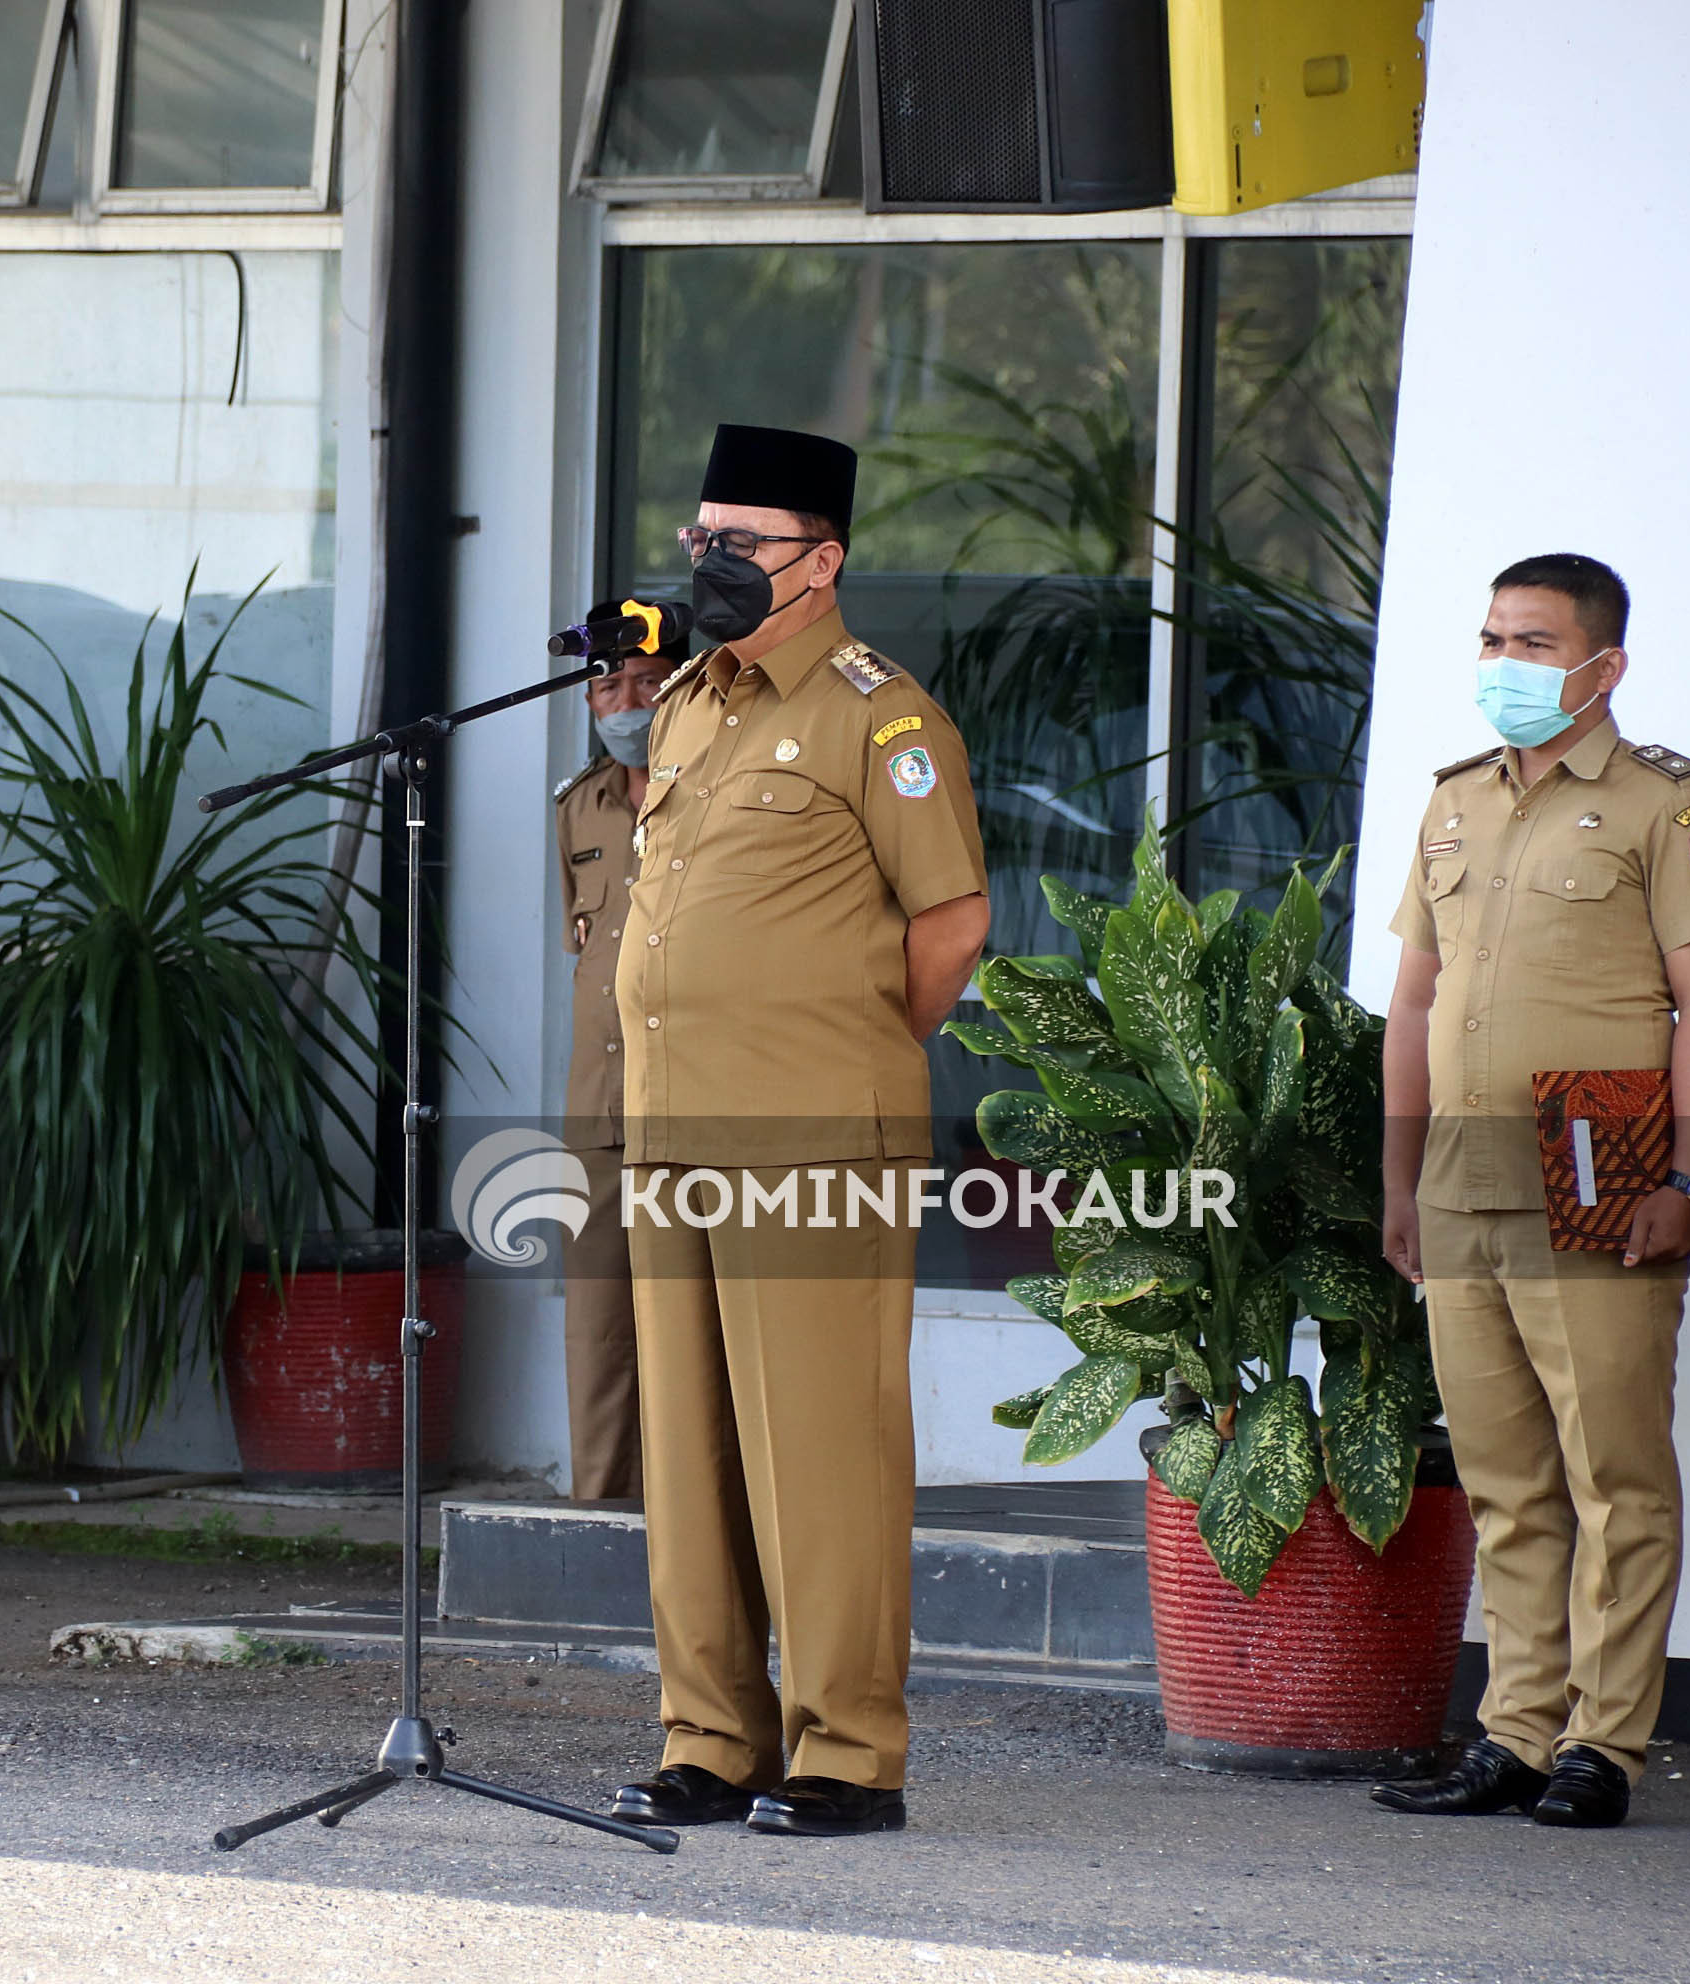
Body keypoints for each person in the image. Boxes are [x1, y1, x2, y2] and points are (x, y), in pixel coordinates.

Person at [607, 426, 991, 1837]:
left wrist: (844, 1047)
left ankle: (847, 1751)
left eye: (743, 544)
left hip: (813, 1138)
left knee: (819, 1449)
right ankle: (712, 1736)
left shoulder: (882, 717)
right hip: (672, 1128)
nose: (710, 564)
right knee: (693, 1450)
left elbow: (950, 926)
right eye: (700, 536)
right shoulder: (689, 702)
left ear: (821, 564)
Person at [1370, 552, 1690, 1830]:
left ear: (1603, 665)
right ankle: (1516, 1733)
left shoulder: (1667, 809)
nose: (1504, 666)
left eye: (1533, 644)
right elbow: (1414, 1002)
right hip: (1463, 1182)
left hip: (1607, 1180)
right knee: (1506, 1480)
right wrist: (1398, 1178)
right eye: (1492, 639)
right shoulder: (1455, 802)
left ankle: (1607, 1745)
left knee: (1616, 1476)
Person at [552, 607, 683, 1503]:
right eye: (607, 686)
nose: (626, 700)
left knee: (690, 1335)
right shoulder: (578, 808)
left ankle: (696, 1536)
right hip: (599, 1107)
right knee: (597, 1329)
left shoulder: (720, 791)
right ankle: (597, 1519)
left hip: (697, 1109)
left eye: (647, 680)